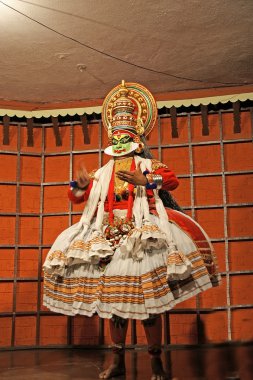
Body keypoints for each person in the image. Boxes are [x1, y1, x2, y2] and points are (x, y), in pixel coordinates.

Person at [43, 81, 220, 380]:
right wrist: (81, 185)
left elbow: (173, 180)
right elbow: (77, 197)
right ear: (111, 140)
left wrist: (145, 181)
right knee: (114, 305)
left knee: (148, 304)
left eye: (125, 137)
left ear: (136, 138)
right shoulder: (102, 172)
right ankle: (118, 362)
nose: (120, 142)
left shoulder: (149, 165)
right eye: (116, 137)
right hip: (107, 238)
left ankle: (155, 364)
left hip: (142, 237)